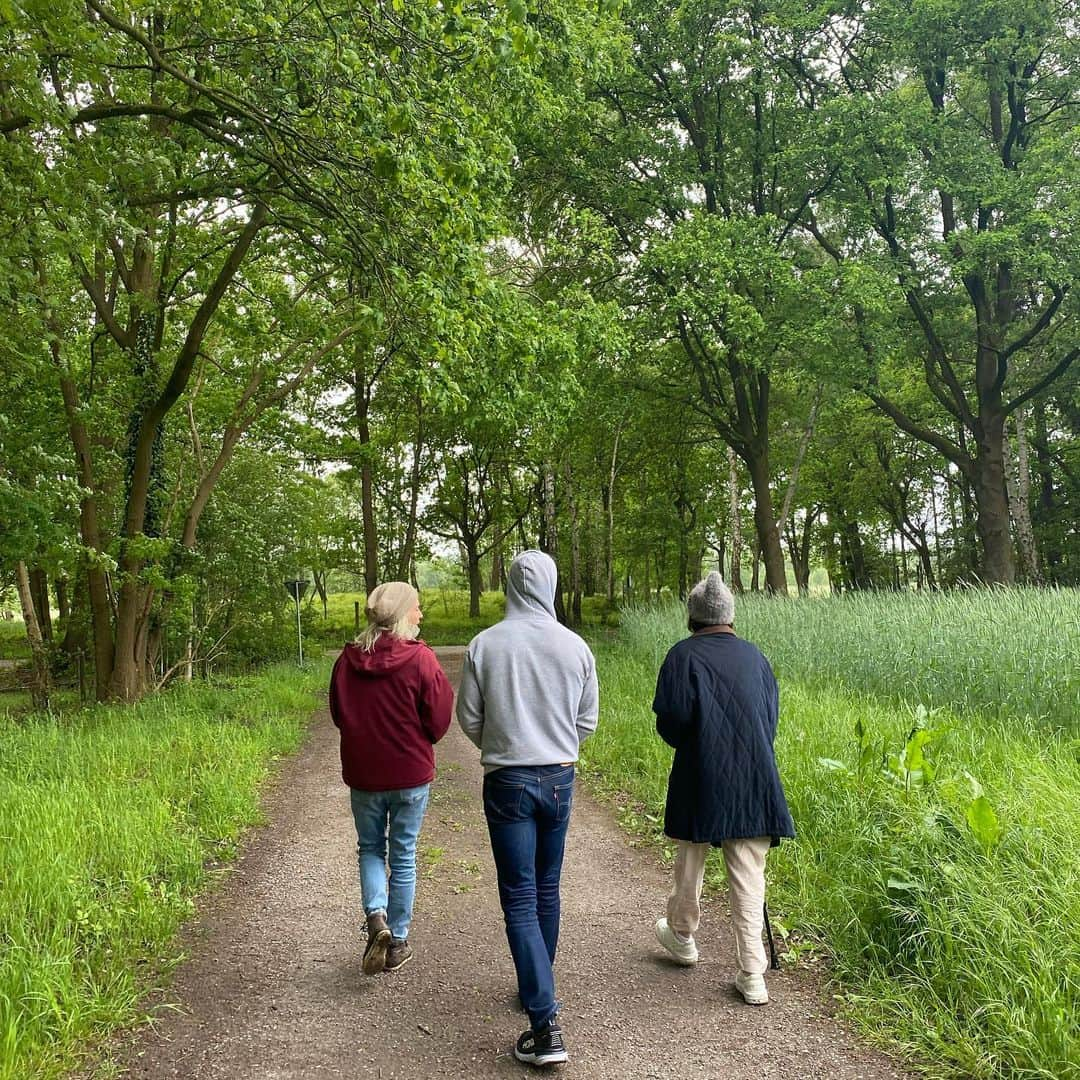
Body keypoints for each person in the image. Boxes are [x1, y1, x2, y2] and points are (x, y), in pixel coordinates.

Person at [457, 550, 598, 1067]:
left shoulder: (485, 645)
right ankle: (537, 987)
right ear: (553, 586)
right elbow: (587, 721)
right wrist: (556, 741)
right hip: (560, 776)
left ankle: (544, 1024)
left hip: (508, 779)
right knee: (546, 887)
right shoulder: (575, 646)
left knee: (519, 895)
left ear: (510, 586)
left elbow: (469, 718)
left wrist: (502, 745)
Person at [651, 571, 794, 1005]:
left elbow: (670, 722)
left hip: (700, 775)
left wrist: (697, 745)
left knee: (690, 859)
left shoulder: (681, 656)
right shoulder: (756, 658)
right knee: (750, 876)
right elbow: (768, 721)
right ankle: (753, 974)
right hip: (755, 777)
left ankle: (682, 937)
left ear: (693, 617)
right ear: (730, 617)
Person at [329, 581, 453, 976]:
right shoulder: (422, 660)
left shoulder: (347, 661)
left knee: (369, 848)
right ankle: (397, 940)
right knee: (403, 856)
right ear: (402, 614)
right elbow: (438, 720)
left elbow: (338, 715)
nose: (421, 614)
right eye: (417, 607)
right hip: (410, 775)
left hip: (364, 775)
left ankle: (376, 916)